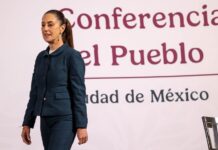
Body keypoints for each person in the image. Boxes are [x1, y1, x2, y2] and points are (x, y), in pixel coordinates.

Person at [21, 9, 88, 150]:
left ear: (62, 28)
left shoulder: (72, 56)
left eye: (50, 24)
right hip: (45, 119)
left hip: (65, 120)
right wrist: (27, 122)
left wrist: (81, 125)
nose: (45, 29)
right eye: (43, 25)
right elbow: (35, 92)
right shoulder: (41, 57)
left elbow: (79, 93)